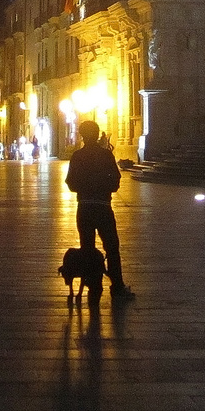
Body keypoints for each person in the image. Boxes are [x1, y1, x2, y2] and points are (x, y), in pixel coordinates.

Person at [66, 120, 134, 301]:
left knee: (87, 247)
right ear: (97, 135)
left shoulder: (77, 156)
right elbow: (116, 178)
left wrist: (83, 188)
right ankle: (117, 286)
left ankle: (93, 285)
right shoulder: (106, 155)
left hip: (85, 207)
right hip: (103, 207)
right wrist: (106, 188)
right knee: (112, 247)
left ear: (82, 135)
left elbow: (70, 182)